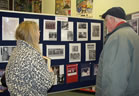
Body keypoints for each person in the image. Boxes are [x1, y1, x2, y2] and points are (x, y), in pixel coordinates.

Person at [96, 7, 139, 96]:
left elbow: (114, 79)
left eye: (106, 21)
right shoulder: (133, 35)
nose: (106, 25)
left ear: (112, 19)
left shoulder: (117, 38)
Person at [5, 21, 54, 96]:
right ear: (33, 35)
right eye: (38, 31)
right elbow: (46, 83)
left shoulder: (16, 51)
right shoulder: (33, 55)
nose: (39, 34)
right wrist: (50, 73)